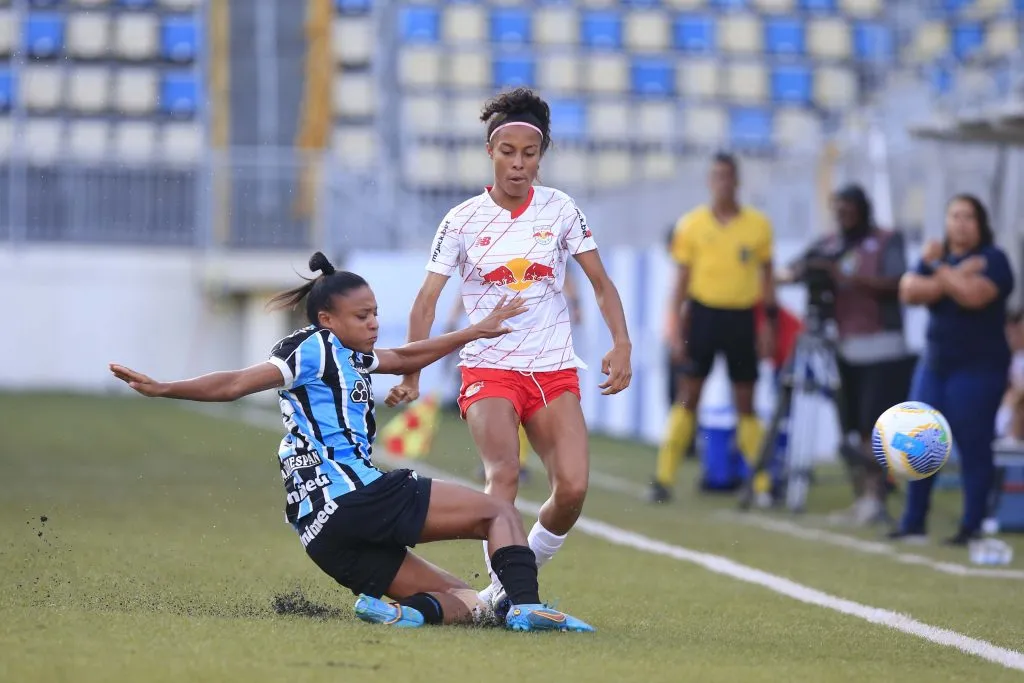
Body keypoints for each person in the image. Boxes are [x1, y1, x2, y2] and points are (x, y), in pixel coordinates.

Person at [108, 252, 594, 633]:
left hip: (323, 534)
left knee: (468, 603)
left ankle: (405, 616)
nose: (374, 323)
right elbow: (237, 382)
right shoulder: (311, 349)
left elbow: (404, 354)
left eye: (376, 313)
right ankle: (529, 609)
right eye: (362, 316)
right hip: (355, 496)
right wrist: (166, 387)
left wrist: (473, 332)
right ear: (327, 320)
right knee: (501, 513)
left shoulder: (351, 355)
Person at [386, 87, 632, 614]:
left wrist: (622, 342)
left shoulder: (561, 209)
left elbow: (601, 283)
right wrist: (412, 373)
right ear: (490, 152)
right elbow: (426, 301)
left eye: (530, 153)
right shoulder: (461, 220)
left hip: (552, 369)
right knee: (504, 474)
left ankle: (501, 587)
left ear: (541, 155)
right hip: (490, 368)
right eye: (508, 152)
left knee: (572, 489)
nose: (519, 164)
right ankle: (512, 591)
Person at [649, 152, 777, 505]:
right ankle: (663, 478)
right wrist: (674, 328)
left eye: (728, 176)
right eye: (716, 176)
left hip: (741, 318)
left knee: (746, 404)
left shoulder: (758, 226)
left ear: (737, 181)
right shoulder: (691, 225)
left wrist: (768, 325)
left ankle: (762, 484)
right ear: (710, 181)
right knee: (688, 397)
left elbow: (767, 279)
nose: (722, 182)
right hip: (703, 317)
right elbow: (680, 283)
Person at [779, 184, 911, 526]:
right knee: (852, 431)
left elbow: (897, 281)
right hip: (843, 346)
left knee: (874, 428)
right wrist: (799, 272)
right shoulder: (829, 243)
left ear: (863, 209)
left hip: (882, 348)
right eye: (838, 209)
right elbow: (791, 270)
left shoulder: (886, 240)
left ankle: (876, 498)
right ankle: (864, 497)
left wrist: (847, 278)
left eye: (849, 209)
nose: (843, 216)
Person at [895, 194, 1015, 546]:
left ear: (981, 224)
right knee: (918, 441)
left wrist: (942, 272)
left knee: (973, 446)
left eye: (968, 217)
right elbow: (909, 291)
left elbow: (973, 296)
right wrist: (954, 274)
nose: (960, 224)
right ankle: (913, 521)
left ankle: (971, 525)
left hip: (978, 369)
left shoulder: (994, 260)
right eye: (954, 216)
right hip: (935, 365)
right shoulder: (940, 259)